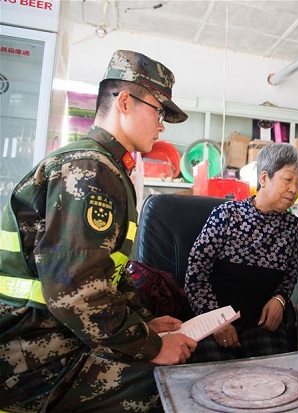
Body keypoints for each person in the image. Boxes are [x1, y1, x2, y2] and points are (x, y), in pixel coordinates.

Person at [0, 50, 197, 412]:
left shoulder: (104, 166)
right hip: (30, 356)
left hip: (55, 336)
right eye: (158, 111)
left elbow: (107, 274)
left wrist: (143, 325)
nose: (162, 125)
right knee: (172, 391)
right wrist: (152, 345)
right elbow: (76, 290)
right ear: (124, 101)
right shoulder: (89, 168)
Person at [184, 143, 298, 362]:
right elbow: (196, 275)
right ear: (263, 178)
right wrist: (217, 322)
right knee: (210, 382)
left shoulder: (294, 228)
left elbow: (289, 277)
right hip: (213, 319)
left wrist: (280, 299)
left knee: (273, 380)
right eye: (288, 180)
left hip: (260, 323)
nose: (294, 190)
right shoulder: (227, 215)